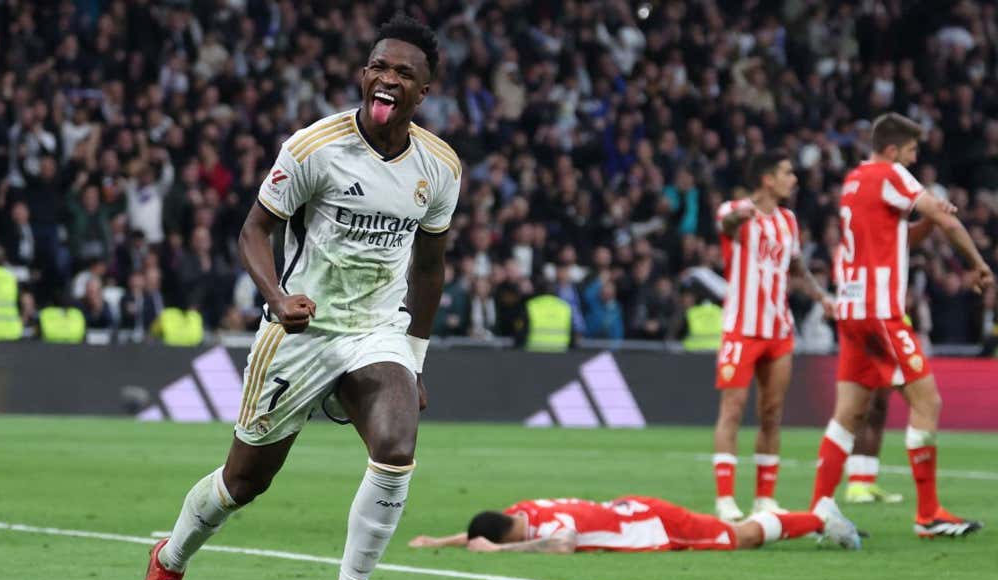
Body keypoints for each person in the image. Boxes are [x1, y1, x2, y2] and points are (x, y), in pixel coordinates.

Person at [138, 16, 460, 580]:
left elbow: (429, 265)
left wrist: (415, 358)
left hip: (377, 329)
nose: (387, 78)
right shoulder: (316, 147)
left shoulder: (440, 168)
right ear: (364, 74)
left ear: (424, 92)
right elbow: (253, 231)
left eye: (404, 73)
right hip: (303, 331)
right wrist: (278, 298)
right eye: (379, 66)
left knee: (396, 449)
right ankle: (170, 559)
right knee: (243, 484)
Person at [810, 113, 993, 537]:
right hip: (879, 311)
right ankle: (928, 514)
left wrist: (926, 220)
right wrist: (980, 265)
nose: (913, 161)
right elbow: (949, 221)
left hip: (852, 310)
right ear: (893, 150)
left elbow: (897, 238)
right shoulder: (891, 173)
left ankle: (819, 511)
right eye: (911, 152)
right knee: (928, 403)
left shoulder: (855, 180)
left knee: (847, 414)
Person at [710, 152, 834, 522]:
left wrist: (820, 295)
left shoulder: (789, 221)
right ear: (767, 179)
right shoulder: (735, 210)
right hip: (741, 328)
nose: (793, 179)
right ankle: (725, 499)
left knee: (772, 412)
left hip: (779, 329)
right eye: (787, 173)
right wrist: (743, 213)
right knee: (732, 409)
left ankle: (764, 498)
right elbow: (727, 224)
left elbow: (795, 265)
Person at [408, 494, 861, 554]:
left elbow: (562, 542)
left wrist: (501, 552)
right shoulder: (525, 508)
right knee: (732, 530)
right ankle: (814, 517)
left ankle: (821, 518)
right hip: (637, 509)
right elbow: (489, 528)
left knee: (738, 537)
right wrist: (440, 542)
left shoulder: (546, 529)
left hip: (654, 527)